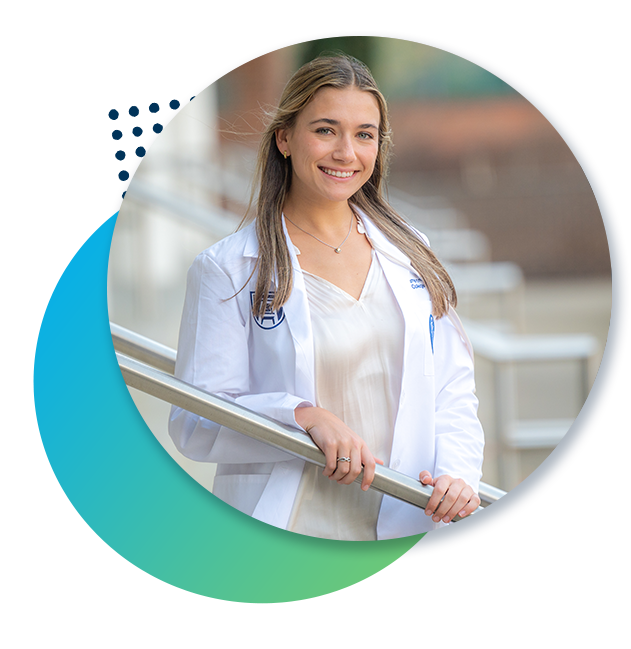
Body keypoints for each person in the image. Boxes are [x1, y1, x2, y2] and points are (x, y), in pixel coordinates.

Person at [168, 54, 484, 540]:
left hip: (407, 518)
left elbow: (452, 386)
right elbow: (196, 422)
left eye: (364, 134)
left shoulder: (409, 249)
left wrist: (460, 474)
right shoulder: (228, 268)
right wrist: (301, 417)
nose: (346, 152)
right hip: (291, 528)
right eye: (325, 130)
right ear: (285, 138)